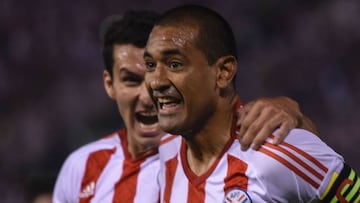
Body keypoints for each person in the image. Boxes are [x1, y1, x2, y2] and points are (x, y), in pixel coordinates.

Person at [53, 10, 318, 203]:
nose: (150, 91)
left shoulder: (236, 143)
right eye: (132, 80)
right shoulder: (82, 168)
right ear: (109, 85)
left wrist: (293, 113)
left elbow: (306, 162)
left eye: (172, 67)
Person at [143, 5, 360, 202]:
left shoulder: (277, 153)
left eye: (174, 64)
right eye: (151, 65)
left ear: (223, 73)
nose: (156, 81)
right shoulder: (164, 151)